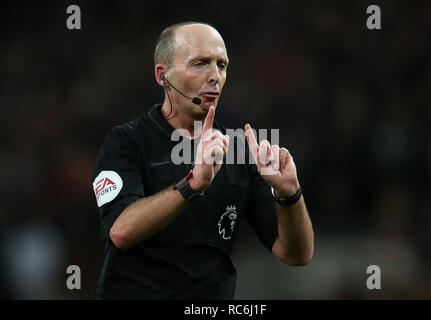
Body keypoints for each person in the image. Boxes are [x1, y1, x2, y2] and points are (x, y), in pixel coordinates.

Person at [92, 22, 314, 299]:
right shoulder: (126, 142)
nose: (215, 76)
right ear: (163, 76)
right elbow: (121, 231)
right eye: (200, 63)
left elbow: (296, 254)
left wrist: (290, 194)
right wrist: (191, 184)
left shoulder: (241, 151)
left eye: (222, 65)